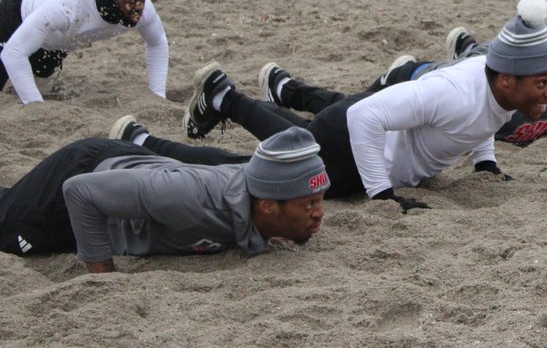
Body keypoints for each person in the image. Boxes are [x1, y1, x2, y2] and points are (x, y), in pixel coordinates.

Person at [182, 0, 547, 209]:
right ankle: (159, 135)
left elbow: (487, 116)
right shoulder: (454, 91)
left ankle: (223, 95)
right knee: (247, 172)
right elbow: (364, 116)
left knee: (293, 135)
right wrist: (383, 196)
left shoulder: (501, 85)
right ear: (508, 77)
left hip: (354, 136)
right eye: (543, 83)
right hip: (349, 142)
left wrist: (486, 162)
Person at [0, 127, 328, 272]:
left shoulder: (261, 195)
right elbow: (80, 192)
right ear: (269, 205)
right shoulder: (190, 197)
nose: (319, 214)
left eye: (319, 200)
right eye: (309, 205)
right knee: (10, 232)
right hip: (81, 177)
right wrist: (104, 282)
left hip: (136, 171)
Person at [259, 11, 547, 146]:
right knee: (344, 110)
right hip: (418, 82)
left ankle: (460, 48)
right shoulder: (510, 81)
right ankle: (287, 90)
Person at [0, 0, 167, 103]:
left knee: (40, 75)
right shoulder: (68, 6)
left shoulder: (144, 10)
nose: (138, 7)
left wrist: (158, 94)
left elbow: (158, 42)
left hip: (58, 41)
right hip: (17, 14)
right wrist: (36, 108)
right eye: (130, 0)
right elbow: (13, 53)